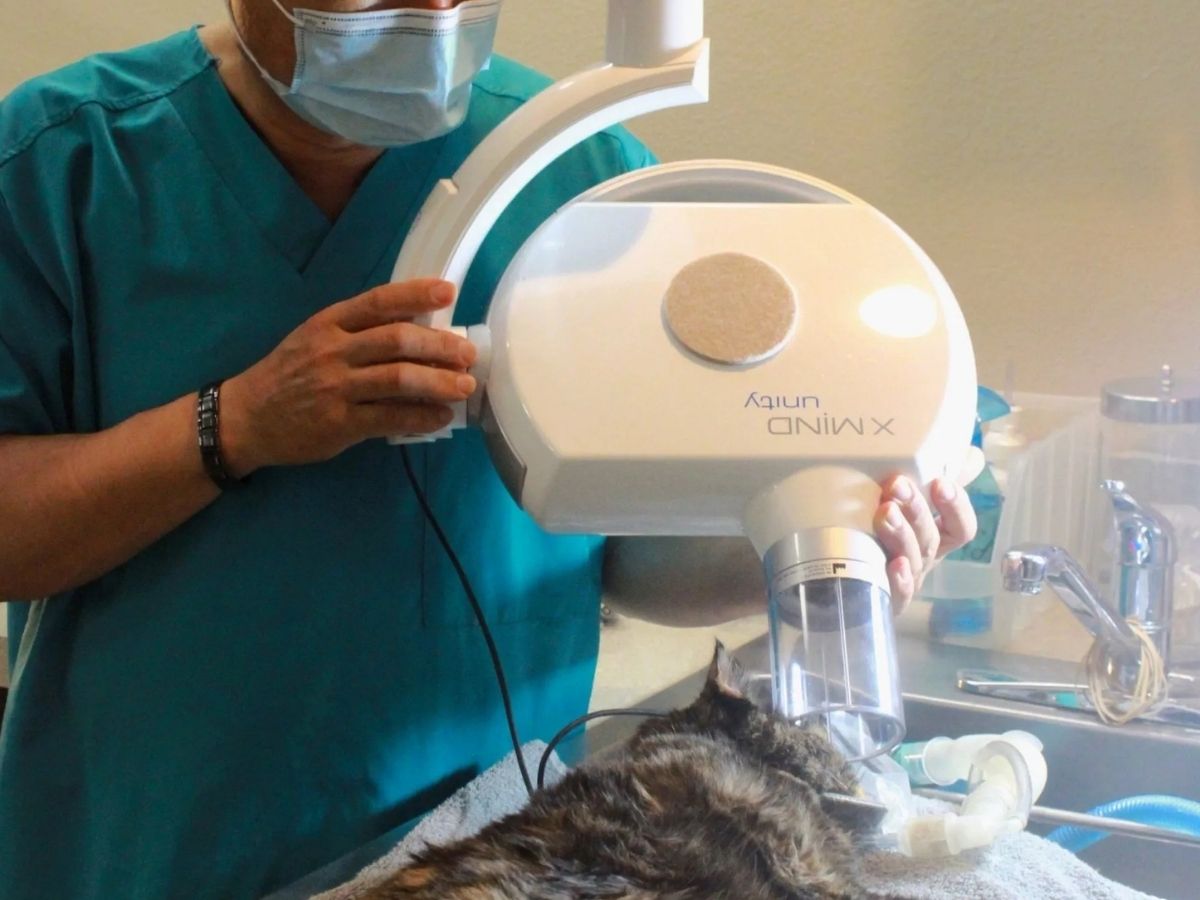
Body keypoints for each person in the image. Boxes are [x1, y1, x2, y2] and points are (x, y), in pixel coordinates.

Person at [0, 2, 977, 898]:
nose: (430, 15)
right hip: (143, 854)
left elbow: (625, 564)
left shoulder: (577, 174)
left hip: (489, 862)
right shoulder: (64, 161)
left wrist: (811, 545)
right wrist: (241, 422)